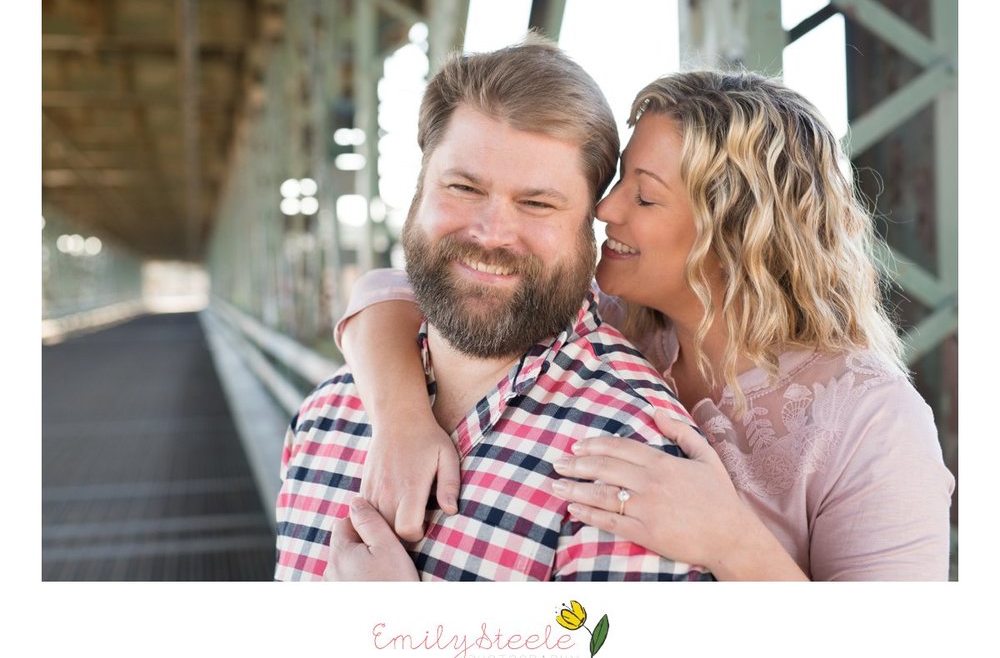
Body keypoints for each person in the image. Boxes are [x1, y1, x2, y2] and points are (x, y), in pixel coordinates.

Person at [336, 69, 955, 581]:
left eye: (645, 195)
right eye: (617, 181)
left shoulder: (873, 420)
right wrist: (403, 420)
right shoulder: (611, 326)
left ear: (738, 232)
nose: (604, 208)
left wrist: (732, 542)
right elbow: (392, 293)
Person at [274, 35, 712, 581]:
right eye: (462, 187)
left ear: (590, 228)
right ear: (416, 193)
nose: (491, 234)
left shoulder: (630, 453)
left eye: (536, 203)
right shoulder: (327, 414)